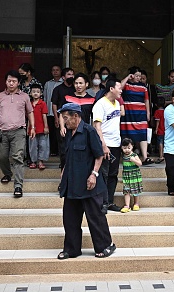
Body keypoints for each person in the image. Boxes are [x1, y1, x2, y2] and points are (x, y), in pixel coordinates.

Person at [57, 102, 116, 260]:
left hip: (89, 184)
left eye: (66, 118)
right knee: (70, 219)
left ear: (76, 116)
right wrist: (63, 175)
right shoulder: (69, 133)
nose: (65, 121)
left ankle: (106, 245)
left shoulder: (89, 131)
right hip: (71, 184)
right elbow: (67, 157)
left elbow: (99, 155)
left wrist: (94, 174)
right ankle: (72, 249)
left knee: (95, 217)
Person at [0, 70, 35, 197]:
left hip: (19, 131)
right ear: (5, 82)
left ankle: (18, 185)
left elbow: (30, 112)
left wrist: (32, 127)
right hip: (2, 131)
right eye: (9, 81)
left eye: (14, 81)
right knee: (1, 156)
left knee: (17, 157)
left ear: (19, 83)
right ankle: (7, 173)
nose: (11, 83)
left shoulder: (24, 96)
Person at [92, 78, 123, 213]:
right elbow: (96, 126)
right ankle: (102, 203)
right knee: (103, 174)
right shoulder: (100, 104)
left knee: (113, 174)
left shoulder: (116, 104)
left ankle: (110, 201)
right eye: (119, 88)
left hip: (116, 144)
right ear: (111, 89)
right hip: (105, 144)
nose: (121, 90)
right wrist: (103, 145)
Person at [120, 67, 152, 165]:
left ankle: (145, 157)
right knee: (127, 134)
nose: (138, 78)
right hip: (128, 113)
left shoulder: (143, 87)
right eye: (136, 76)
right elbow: (119, 87)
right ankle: (128, 156)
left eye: (139, 76)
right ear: (132, 75)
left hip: (140, 113)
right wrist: (127, 77)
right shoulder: (127, 85)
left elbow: (146, 100)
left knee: (143, 134)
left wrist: (148, 112)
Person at [52, 67, 76, 168]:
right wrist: (56, 118)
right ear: (63, 77)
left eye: (72, 75)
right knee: (62, 142)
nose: (71, 76)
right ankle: (63, 163)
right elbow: (54, 104)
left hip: (74, 120)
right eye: (68, 75)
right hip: (62, 119)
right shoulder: (58, 89)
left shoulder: (76, 88)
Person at [28, 83, 49, 170]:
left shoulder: (43, 103)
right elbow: (29, 117)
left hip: (42, 128)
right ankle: (33, 161)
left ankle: (41, 161)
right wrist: (28, 127)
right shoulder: (29, 104)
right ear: (30, 93)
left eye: (37, 92)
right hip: (32, 129)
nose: (36, 93)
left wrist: (46, 126)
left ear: (41, 94)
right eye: (34, 92)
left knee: (43, 145)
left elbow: (44, 116)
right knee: (32, 145)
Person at [120, 137, 143, 213]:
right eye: (124, 148)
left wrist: (134, 160)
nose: (127, 150)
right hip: (126, 175)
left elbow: (140, 163)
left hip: (134, 175)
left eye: (129, 148)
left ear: (132, 146)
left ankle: (136, 203)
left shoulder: (134, 155)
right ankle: (127, 205)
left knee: (135, 190)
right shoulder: (123, 156)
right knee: (126, 190)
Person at [44, 64, 63, 156]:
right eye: (53, 70)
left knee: (59, 133)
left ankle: (60, 151)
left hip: (59, 112)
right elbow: (45, 97)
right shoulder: (48, 83)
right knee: (50, 133)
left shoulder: (63, 83)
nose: (55, 72)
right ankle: (52, 151)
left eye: (57, 70)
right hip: (48, 112)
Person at [153, 97, 166, 164]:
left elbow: (157, 121)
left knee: (160, 143)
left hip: (160, 130)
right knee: (165, 143)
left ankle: (161, 156)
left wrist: (156, 129)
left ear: (156, 104)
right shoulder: (166, 111)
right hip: (166, 130)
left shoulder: (157, 112)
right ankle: (165, 155)